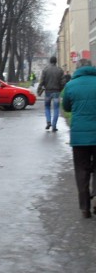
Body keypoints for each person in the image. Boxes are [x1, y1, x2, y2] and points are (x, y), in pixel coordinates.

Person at [62, 58, 96, 218]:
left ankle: (85, 207)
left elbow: (67, 107)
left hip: (79, 137)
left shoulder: (71, 85)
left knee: (82, 170)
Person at [39, 56, 64, 131]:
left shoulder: (45, 70)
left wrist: (39, 89)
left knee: (47, 107)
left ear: (50, 61)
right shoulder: (60, 70)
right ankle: (54, 125)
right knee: (56, 108)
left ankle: (48, 121)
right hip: (56, 91)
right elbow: (63, 82)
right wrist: (60, 89)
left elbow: (42, 81)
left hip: (48, 91)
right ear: (56, 61)